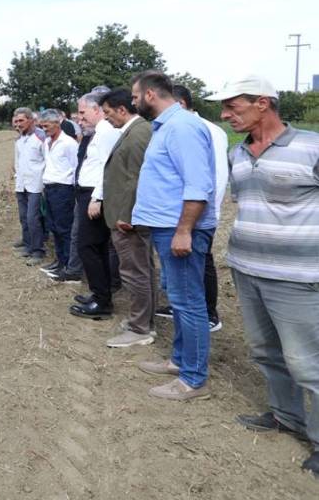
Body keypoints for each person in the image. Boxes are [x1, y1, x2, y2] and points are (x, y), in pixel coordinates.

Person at [207, 75, 319, 477]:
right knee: (267, 353)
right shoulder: (239, 154)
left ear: (263, 103)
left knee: (309, 362)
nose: (224, 115)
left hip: (299, 277)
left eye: (232, 107)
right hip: (248, 269)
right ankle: (286, 416)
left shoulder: (311, 146)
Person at [130, 71, 216, 401]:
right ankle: (179, 361)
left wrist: (184, 230)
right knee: (179, 300)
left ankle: (193, 379)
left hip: (180, 229)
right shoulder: (167, 127)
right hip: (168, 227)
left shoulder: (182, 128)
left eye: (135, 96)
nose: (133, 102)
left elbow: (198, 184)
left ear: (151, 94)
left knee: (189, 302)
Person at [154, 85, 228, 332]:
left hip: (199, 213)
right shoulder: (180, 128)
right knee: (188, 271)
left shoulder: (207, 130)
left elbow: (211, 177)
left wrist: (203, 215)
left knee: (202, 261)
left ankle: (209, 314)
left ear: (181, 104)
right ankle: (186, 310)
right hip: (186, 212)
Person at [87, 88, 156, 346]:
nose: (106, 118)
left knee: (134, 273)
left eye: (107, 113)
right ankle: (144, 322)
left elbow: (137, 180)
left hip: (128, 219)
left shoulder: (138, 134)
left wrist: (126, 215)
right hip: (127, 216)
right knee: (141, 270)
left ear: (122, 109)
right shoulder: (133, 131)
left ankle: (140, 329)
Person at [61, 92, 122, 298]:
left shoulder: (106, 133)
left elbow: (109, 168)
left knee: (88, 246)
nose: (79, 118)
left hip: (94, 196)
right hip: (90, 194)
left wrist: (97, 198)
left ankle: (101, 297)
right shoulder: (100, 131)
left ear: (97, 109)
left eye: (82, 112)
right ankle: (100, 294)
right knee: (95, 247)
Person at [37, 109, 78, 270]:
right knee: (53, 227)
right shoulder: (47, 143)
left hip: (63, 190)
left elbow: (76, 168)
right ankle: (59, 261)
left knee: (64, 228)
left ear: (57, 123)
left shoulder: (69, 143)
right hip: (49, 189)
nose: (44, 129)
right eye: (42, 126)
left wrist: (73, 193)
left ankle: (68, 263)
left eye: (46, 126)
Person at [13, 107, 46, 260]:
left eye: (21, 120)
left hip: (36, 185)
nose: (18, 124)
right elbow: (18, 161)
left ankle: (38, 250)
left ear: (31, 120)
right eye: (16, 121)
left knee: (33, 218)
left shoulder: (41, 137)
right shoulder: (19, 140)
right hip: (21, 184)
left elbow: (48, 160)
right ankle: (28, 245)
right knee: (23, 217)